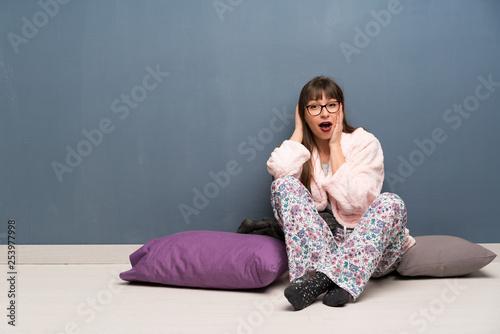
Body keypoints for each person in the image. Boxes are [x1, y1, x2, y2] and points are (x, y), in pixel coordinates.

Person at [267, 76, 415, 310]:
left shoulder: (364, 142)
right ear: (304, 114)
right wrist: (297, 132)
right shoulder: (303, 151)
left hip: (373, 252)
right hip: (323, 249)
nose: (324, 113)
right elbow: (279, 171)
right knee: (283, 184)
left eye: (331, 105)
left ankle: (319, 280)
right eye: (314, 107)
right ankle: (330, 279)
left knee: (391, 202)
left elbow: (355, 203)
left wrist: (336, 147)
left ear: (341, 109)